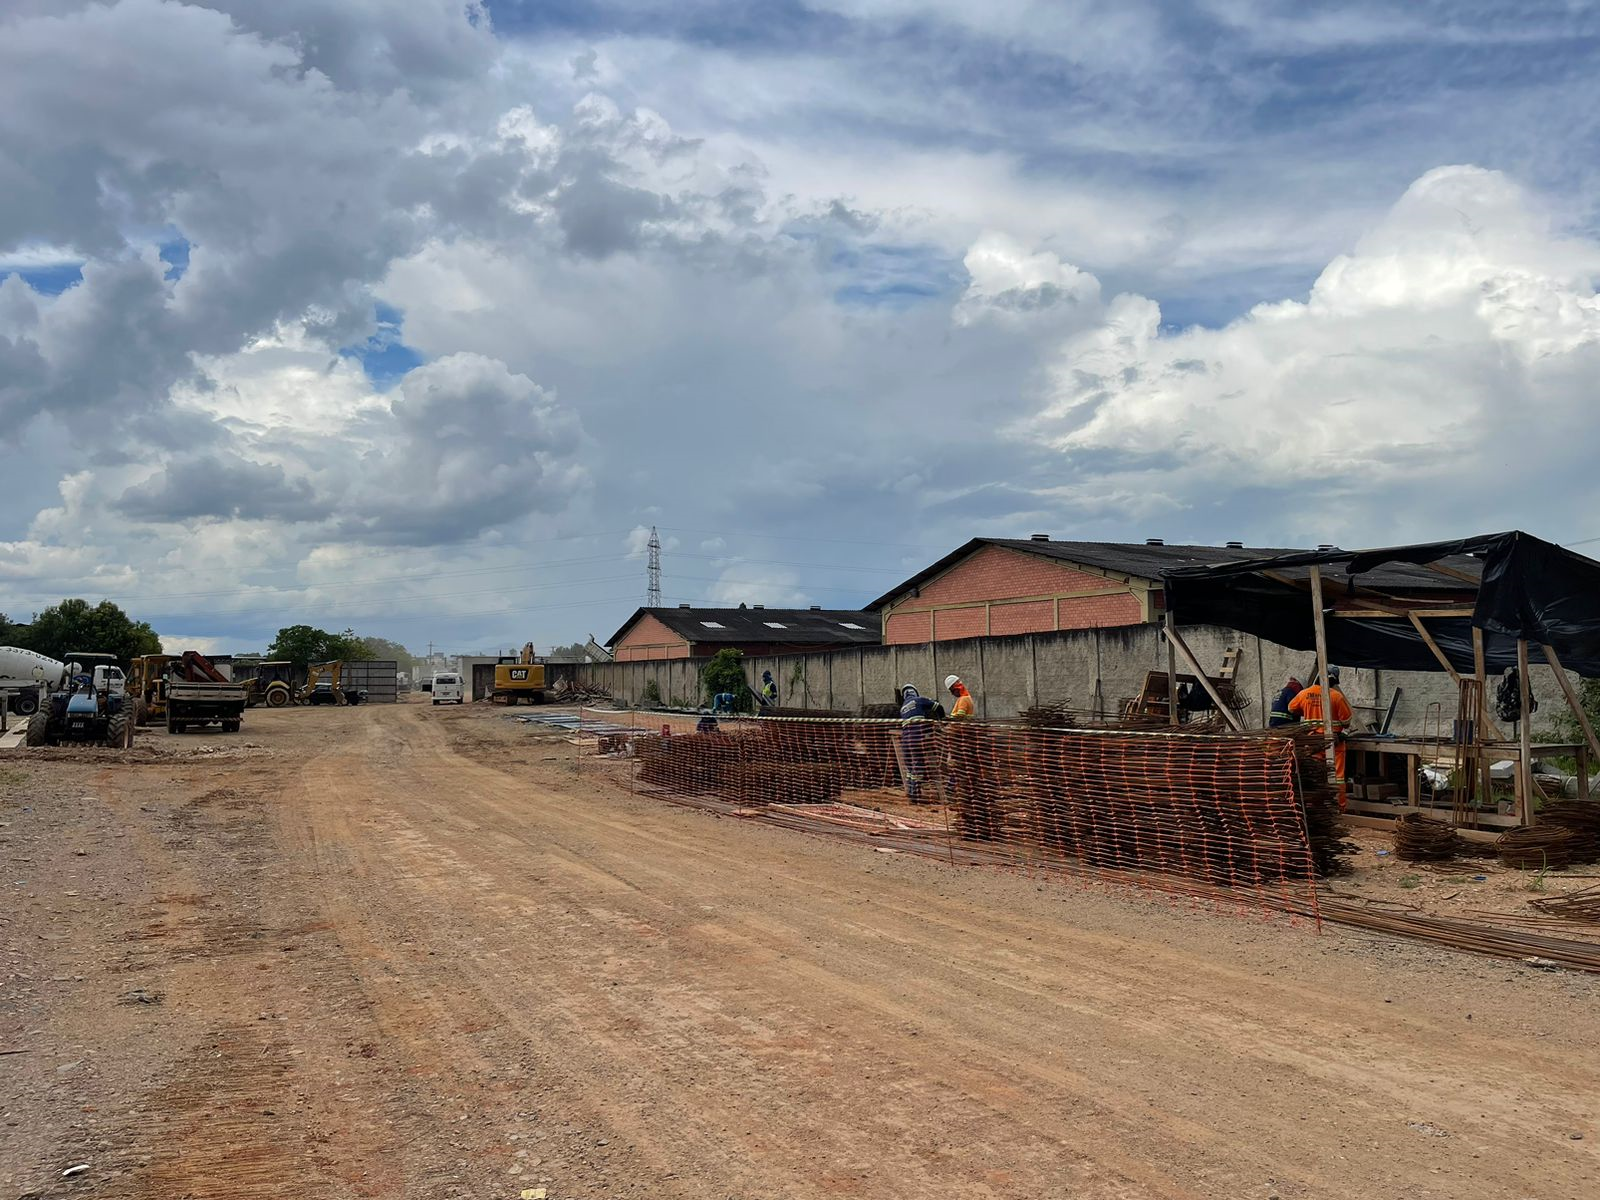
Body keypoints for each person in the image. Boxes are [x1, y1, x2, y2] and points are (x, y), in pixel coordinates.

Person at [1290, 668, 1354, 807]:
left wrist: (1308, 710)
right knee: (1337, 777)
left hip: (1312, 742)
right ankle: (1338, 808)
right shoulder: (1336, 696)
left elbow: (1291, 708)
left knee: (1316, 774)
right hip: (1333, 742)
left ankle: (1316, 805)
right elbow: (1347, 721)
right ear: (1333, 680)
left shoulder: (1304, 694)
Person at [898, 683, 941, 801]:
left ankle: (911, 792)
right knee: (918, 765)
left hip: (905, 741)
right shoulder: (919, 700)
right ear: (915, 692)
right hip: (917, 739)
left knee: (910, 768)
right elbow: (938, 706)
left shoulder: (903, 708)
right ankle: (915, 795)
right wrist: (942, 721)